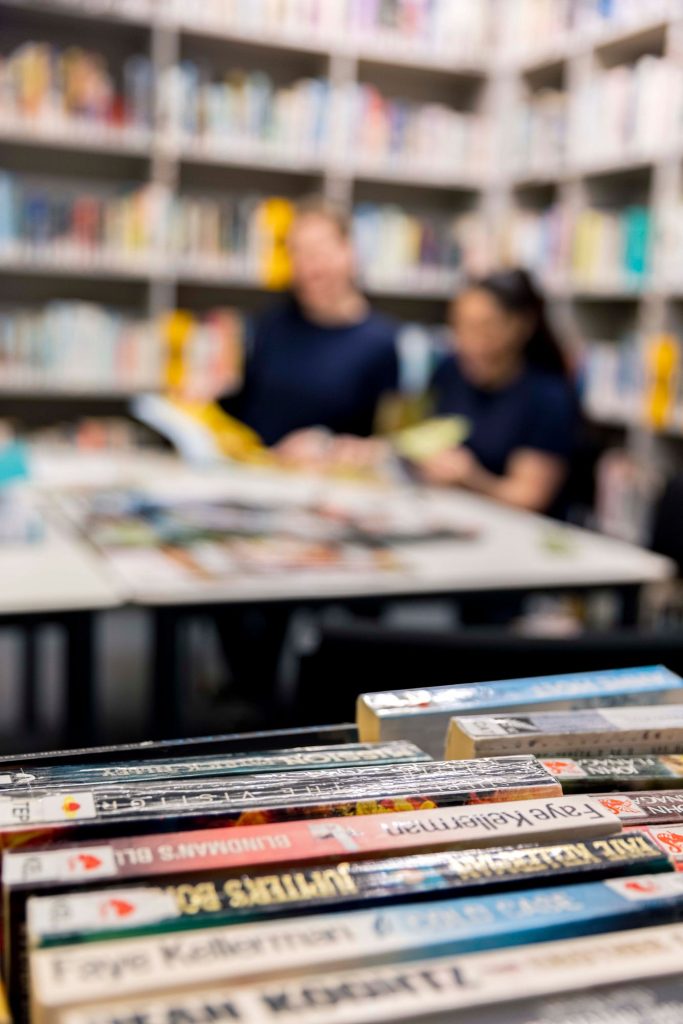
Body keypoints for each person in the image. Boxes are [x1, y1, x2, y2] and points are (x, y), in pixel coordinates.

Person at [222, 197, 399, 469]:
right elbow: (245, 409)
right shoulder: (271, 323)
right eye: (297, 254)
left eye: (318, 254)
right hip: (257, 475)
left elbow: (389, 445)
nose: (308, 269)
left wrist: (328, 448)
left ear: (348, 252)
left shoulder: (380, 343)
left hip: (326, 487)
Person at [419, 268, 578, 516]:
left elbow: (530, 497)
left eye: (485, 327)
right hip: (451, 516)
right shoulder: (449, 371)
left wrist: (471, 478)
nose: (470, 341)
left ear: (521, 326)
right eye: (460, 326)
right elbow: (424, 438)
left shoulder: (548, 397)